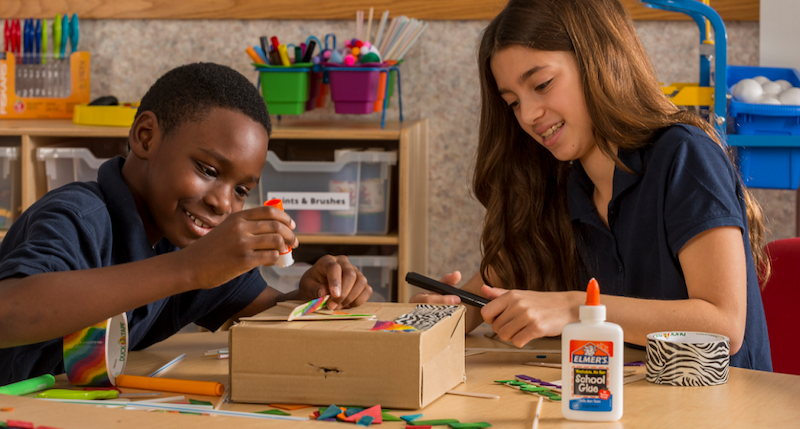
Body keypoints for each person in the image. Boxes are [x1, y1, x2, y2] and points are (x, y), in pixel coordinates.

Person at [413, 0, 772, 371]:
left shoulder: (685, 156)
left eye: (542, 84)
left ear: (598, 59)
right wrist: (452, 310)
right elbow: (483, 295)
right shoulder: (558, 183)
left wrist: (576, 308)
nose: (528, 115)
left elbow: (723, 326)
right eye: (513, 103)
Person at [0, 63, 372, 383]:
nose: (222, 202)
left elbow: (265, 314)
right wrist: (190, 268)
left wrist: (307, 300)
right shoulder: (79, 216)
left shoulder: (186, 241)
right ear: (146, 137)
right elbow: (9, 312)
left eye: (241, 189)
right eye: (208, 170)